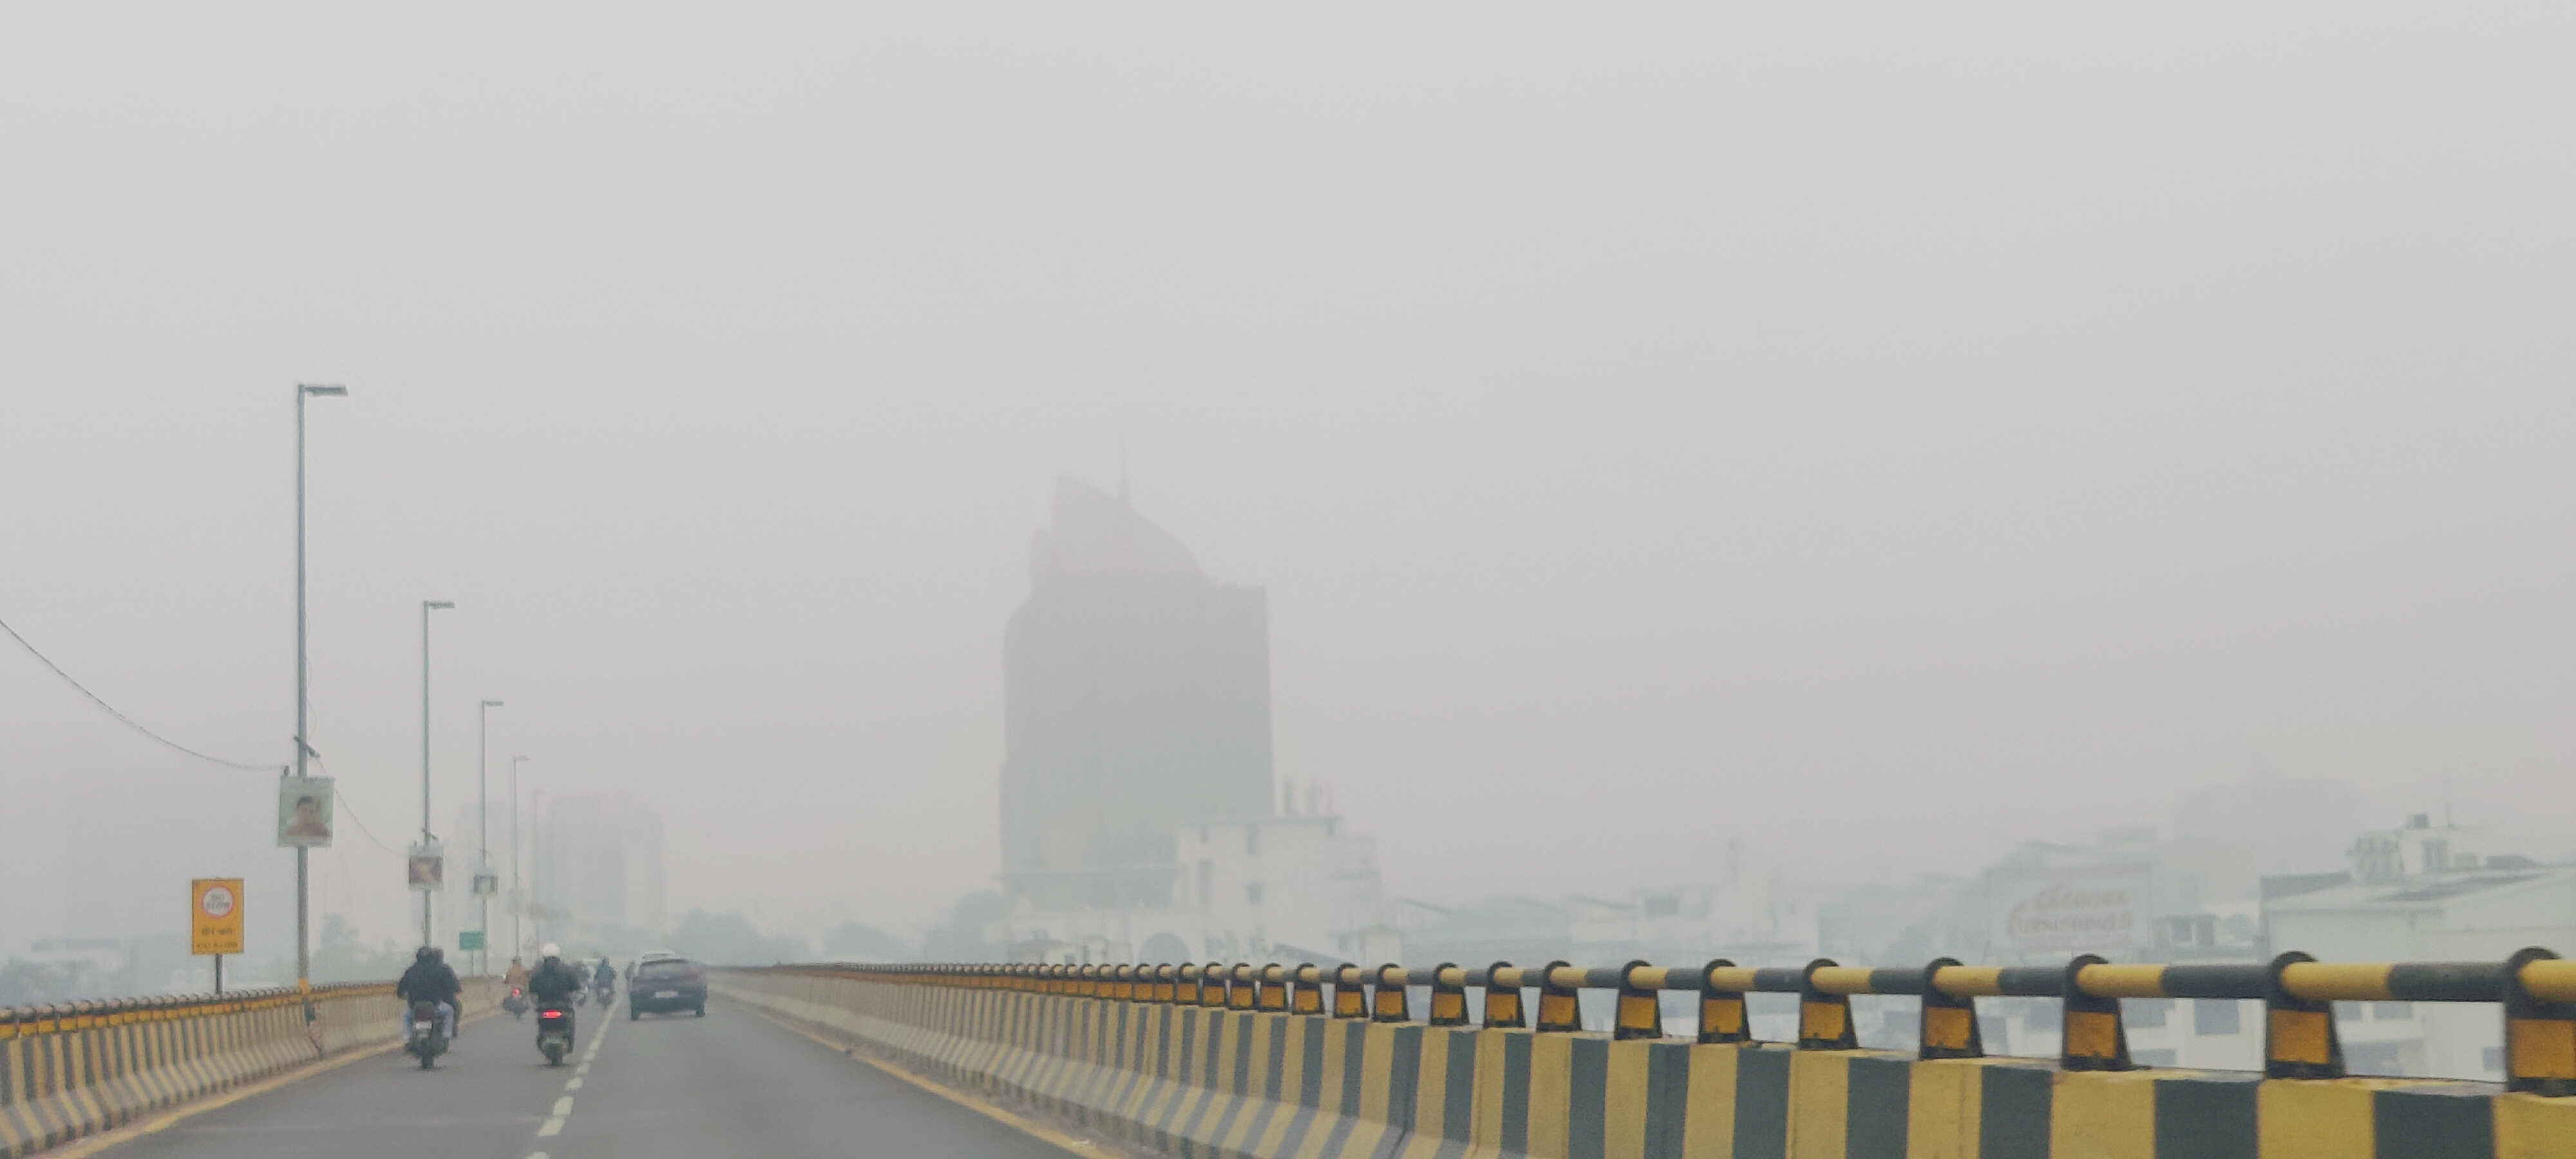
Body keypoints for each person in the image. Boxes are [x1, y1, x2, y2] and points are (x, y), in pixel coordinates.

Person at [393, 946, 461, 1042]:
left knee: (406, 1016)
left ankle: (407, 1039)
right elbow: (452, 985)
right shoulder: (440, 970)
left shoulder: (411, 970)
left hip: (414, 1007)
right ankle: (446, 1037)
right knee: (449, 1011)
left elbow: (401, 988)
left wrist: (402, 995)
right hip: (435, 1005)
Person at [528, 944, 583, 1034]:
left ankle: (542, 1035)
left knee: (541, 1022)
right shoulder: (566, 970)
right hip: (563, 1005)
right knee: (570, 1018)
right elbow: (576, 985)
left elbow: (532, 988)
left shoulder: (538, 971)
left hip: (544, 1005)